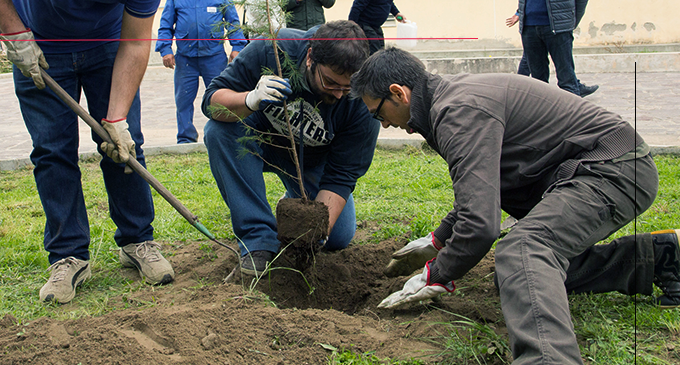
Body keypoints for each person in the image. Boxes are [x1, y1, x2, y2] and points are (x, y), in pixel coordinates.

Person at [350, 47, 680, 364]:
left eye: (378, 112)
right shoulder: (446, 103)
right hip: (581, 170)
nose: (384, 124)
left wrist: (437, 274)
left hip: (614, 168)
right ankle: (660, 258)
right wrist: (437, 240)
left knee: (521, 251)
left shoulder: (458, 112)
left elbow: (481, 223)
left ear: (398, 93)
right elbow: (482, 189)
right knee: (518, 278)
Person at [0, 0, 175, 304]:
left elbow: (135, 42)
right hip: (38, 42)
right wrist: (14, 34)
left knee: (123, 144)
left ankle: (137, 239)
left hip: (109, 45)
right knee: (51, 152)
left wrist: (117, 117)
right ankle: (68, 255)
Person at [201, 20, 380, 276]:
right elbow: (211, 103)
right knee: (219, 130)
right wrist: (249, 99)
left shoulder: (362, 99)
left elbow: (342, 175)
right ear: (310, 58)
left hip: (313, 162)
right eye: (330, 82)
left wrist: (311, 234)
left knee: (337, 237)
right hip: (258, 141)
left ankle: (293, 201)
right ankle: (257, 239)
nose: (340, 94)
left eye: (347, 87)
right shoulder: (273, 50)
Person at [156, 0, 248, 144]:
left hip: (214, 57)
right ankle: (186, 139)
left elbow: (233, 23)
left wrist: (237, 47)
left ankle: (225, 136)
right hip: (185, 58)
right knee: (183, 101)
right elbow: (165, 25)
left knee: (222, 99)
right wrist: (165, 49)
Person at [506, 7, 599, 97]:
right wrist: (519, 12)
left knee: (566, 75)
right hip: (529, 25)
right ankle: (531, 99)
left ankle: (572, 105)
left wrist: (570, 20)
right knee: (538, 80)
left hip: (557, 25)